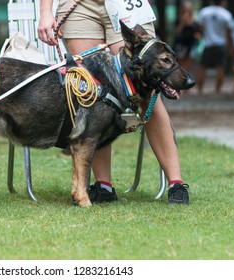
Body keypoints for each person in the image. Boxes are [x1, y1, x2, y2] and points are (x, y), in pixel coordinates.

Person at [38, 0, 190, 204]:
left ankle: (176, 184)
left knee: (147, 92)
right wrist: (46, 11)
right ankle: (104, 186)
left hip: (126, 4)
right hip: (79, 7)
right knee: (93, 96)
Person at [195, 0, 233, 94]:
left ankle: (200, 91)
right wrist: (230, 48)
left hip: (208, 44)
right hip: (221, 45)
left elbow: (200, 27)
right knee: (220, 68)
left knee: (202, 68)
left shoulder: (204, 12)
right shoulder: (226, 14)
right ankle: (217, 91)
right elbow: (229, 33)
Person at [173, 1, 201, 71]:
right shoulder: (179, 19)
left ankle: (184, 78)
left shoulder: (194, 19)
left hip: (191, 44)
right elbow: (176, 33)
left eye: (188, 9)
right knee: (181, 64)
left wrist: (197, 36)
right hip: (181, 45)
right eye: (185, 9)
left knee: (188, 64)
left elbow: (197, 32)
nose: (186, 12)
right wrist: (182, 23)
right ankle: (181, 78)